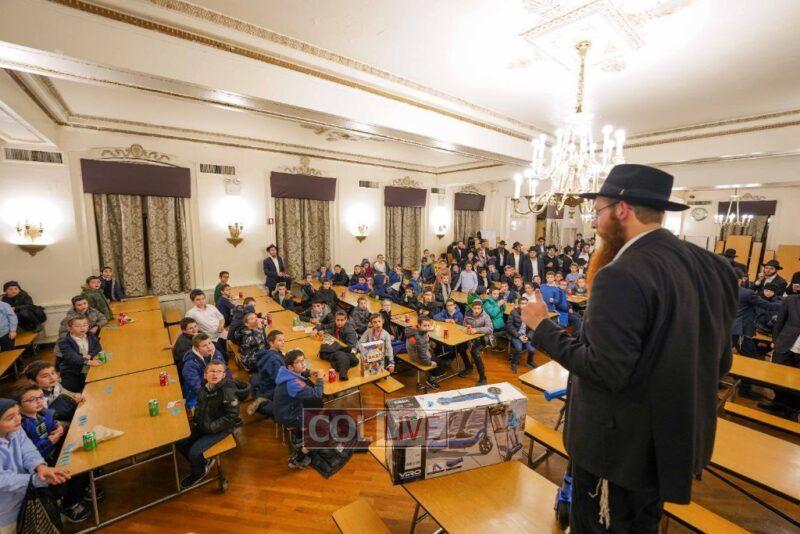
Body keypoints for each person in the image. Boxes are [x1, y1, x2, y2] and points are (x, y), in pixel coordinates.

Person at [521, 164, 737, 532]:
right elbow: (720, 361)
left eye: (598, 211)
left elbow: (603, 369)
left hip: (618, 454)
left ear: (622, 209)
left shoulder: (621, 273)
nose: (594, 222)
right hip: (670, 444)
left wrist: (542, 326)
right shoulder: (713, 266)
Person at [15, 385, 92, 523]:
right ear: (19, 406)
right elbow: (29, 454)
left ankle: (82, 490)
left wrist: (60, 428)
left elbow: (55, 424)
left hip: (55, 452)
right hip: (41, 464)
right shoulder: (21, 426)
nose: (39, 401)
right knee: (63, 480)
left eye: (40, 397)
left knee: (82, 460)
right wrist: (49, 442)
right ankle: (68, 505)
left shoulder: (44, 413)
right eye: (32, 399)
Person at [0, 398, 73, 532]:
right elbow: (3, 479)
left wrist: (40, 466)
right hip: (5, 512)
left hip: (27, 498)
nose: (18, 419)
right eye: (10, 418)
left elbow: (28, 449)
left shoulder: (16, 429)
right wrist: (34, 480)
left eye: (18, 413)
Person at [177, 360, 241, 489]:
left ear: (223, 375)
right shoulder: (204, 388)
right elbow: (200, 405)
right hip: (204, 423)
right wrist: (197, 419)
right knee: (181, 442)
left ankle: (198, 473)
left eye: (219, 371)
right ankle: (202, 463)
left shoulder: (227, 392)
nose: (215, 374)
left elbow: (231, 417)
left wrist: (211, 427)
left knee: (194, 452)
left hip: (220, 428)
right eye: (212, 371)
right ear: (205, 375)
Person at [274, 350, 324, 469]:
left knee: (316, 405)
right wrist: (320, 379)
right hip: (290, 416)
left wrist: (308, 372)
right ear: (290, 367)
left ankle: (299, 437)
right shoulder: (293, 383)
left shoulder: (284, 371)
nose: (303, 364)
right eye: (299, 362)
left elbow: (298, 374)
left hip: (284, 410)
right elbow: (317, 394)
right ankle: (299, 458)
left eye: (303, 360)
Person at [766, 295, 800, 419]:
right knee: (777, 376)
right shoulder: (791, 300)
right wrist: (775, 340)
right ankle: (777, 404)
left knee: (797, 383)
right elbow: (780, 321)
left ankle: (792, 410)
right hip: (784, 343)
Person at [181, 333, 230, 409]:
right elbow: (196, 386)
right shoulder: (190, 364)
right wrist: (212, 395)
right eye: (204, 346)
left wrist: (228, 385)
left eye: (210, 343)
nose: (209, 347)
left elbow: (225, 370)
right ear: (197, 349)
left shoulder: (216, 354)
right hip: (196, 392)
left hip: (215, 386)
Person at [56, 316, 103, 392]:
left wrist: (90, 355)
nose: (82, 328)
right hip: (72, 370)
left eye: (85, 325)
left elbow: (98, 347)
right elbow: (72, 357)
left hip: (86, 368)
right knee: (75, 390)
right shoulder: (64, 342)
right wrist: (88, 361)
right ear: (70, 329)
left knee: (95, 385)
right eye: (78, 326)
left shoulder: (90, 335)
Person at [248, 330, 286, 417]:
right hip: (269, 389)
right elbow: (279, 380)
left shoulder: (267, 352)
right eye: (280, 340)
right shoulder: (274, 360)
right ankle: (263, 399)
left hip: (263, 383)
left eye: (284, 340)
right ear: (271, 343)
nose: (283, 342)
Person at [315, 311, 359, 380]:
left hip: (349, 351)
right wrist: (316, 330)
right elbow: (323, 326)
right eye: (337, 320)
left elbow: (350, 348)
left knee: (340, 356)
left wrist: (336, 346)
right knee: (326, 352)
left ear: (346, 320)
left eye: (342, 320)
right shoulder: (334, 325)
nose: (339, 322)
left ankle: (342, 373)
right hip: (338, 348)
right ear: (335, 319)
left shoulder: (349, 331)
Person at [458, 300, 493, 386]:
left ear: (481, 308)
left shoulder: (486, 316)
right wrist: (467, 326)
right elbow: (464, 325)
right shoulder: (467, 314)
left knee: (475, 352)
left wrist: (476, 330)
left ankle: (483, 377)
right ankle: (469, 367)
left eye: (478, 308)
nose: (477, 310)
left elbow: (490, 329)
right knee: (461, 348)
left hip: (482, 339)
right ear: (472, 308)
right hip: (469, 338)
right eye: (475, 308)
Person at [185, 289, 227, 356]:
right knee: (223, 355)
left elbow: (221, 318)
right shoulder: (191, 313)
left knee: (232, 345)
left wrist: (221, 325)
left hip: (222, 334)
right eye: (198, 300)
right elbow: (184, 327)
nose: (201, 301)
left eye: (203, 299)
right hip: (210, 339)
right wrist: (174, 344)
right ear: (193, 301)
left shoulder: (211, 307)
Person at [405, 316, 441, 390]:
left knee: (435, 350)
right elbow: (422, 355)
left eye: (428, 325)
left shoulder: (413, 329)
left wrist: (428, 342)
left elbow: (421, 346)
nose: (427, 328)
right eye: (425, 326)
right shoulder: (419, 338)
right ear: (419, 325)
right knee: (439, 362)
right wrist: (430, 363)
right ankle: (431, 379)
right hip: (417, 356)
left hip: (413, 352)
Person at [506, 296, 536, 372]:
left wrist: (528, 337)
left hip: (526, 335)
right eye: (522, 303)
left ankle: (530, 361)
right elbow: (509, 326)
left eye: (526, 304)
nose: (524, 305)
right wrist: (519, 336)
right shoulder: (513, 312)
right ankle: (513, 363)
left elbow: (533, 327)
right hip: (516, 335)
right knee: (518, 348)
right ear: (519, 305)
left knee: (532, 350)